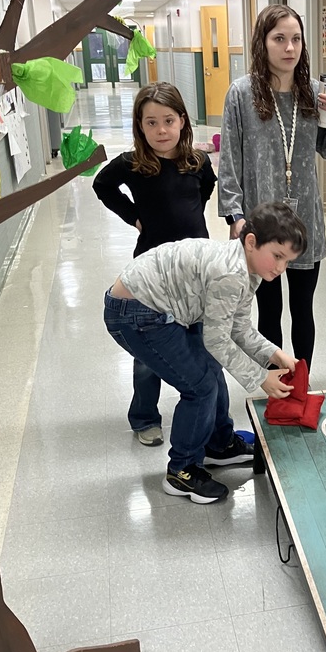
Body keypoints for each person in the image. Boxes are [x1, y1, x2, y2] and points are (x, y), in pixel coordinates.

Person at [103, 203, 304, 504]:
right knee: (200, 386)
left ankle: (219, 444)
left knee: (210, 369)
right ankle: (181, 471)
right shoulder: (231, 274)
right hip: (136, 314)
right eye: (277, 256)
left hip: (157, 306)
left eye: (287, 262)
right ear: (251, 242)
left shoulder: (248, 268)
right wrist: (261, 377)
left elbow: (237, 326)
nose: (280, 268)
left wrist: (275, 354)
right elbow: (217, 340)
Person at [217, 3, 326, 369]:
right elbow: (229, 160)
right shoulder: (241, 94)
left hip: (304, 221)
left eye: (296, 39)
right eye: (279, 39)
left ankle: (301, 380)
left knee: (303, 310)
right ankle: (275, 382)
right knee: (269, 310)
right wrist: (235, 217)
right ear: (263, 43)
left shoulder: (313, 93)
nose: (289, 48)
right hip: (260, 227)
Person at [93, 82, 217, 448]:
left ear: (182, 121)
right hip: (150, 274)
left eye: (168, 120)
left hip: (195, 269)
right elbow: (102, 186)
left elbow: (205, 191)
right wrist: (133, 217)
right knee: (150, 352)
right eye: (151, 123)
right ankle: (145, 415)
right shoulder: (132, 164)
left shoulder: (198, 161)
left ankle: (196, 406)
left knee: (197, 342)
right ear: (140, 126)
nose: (161, 131)